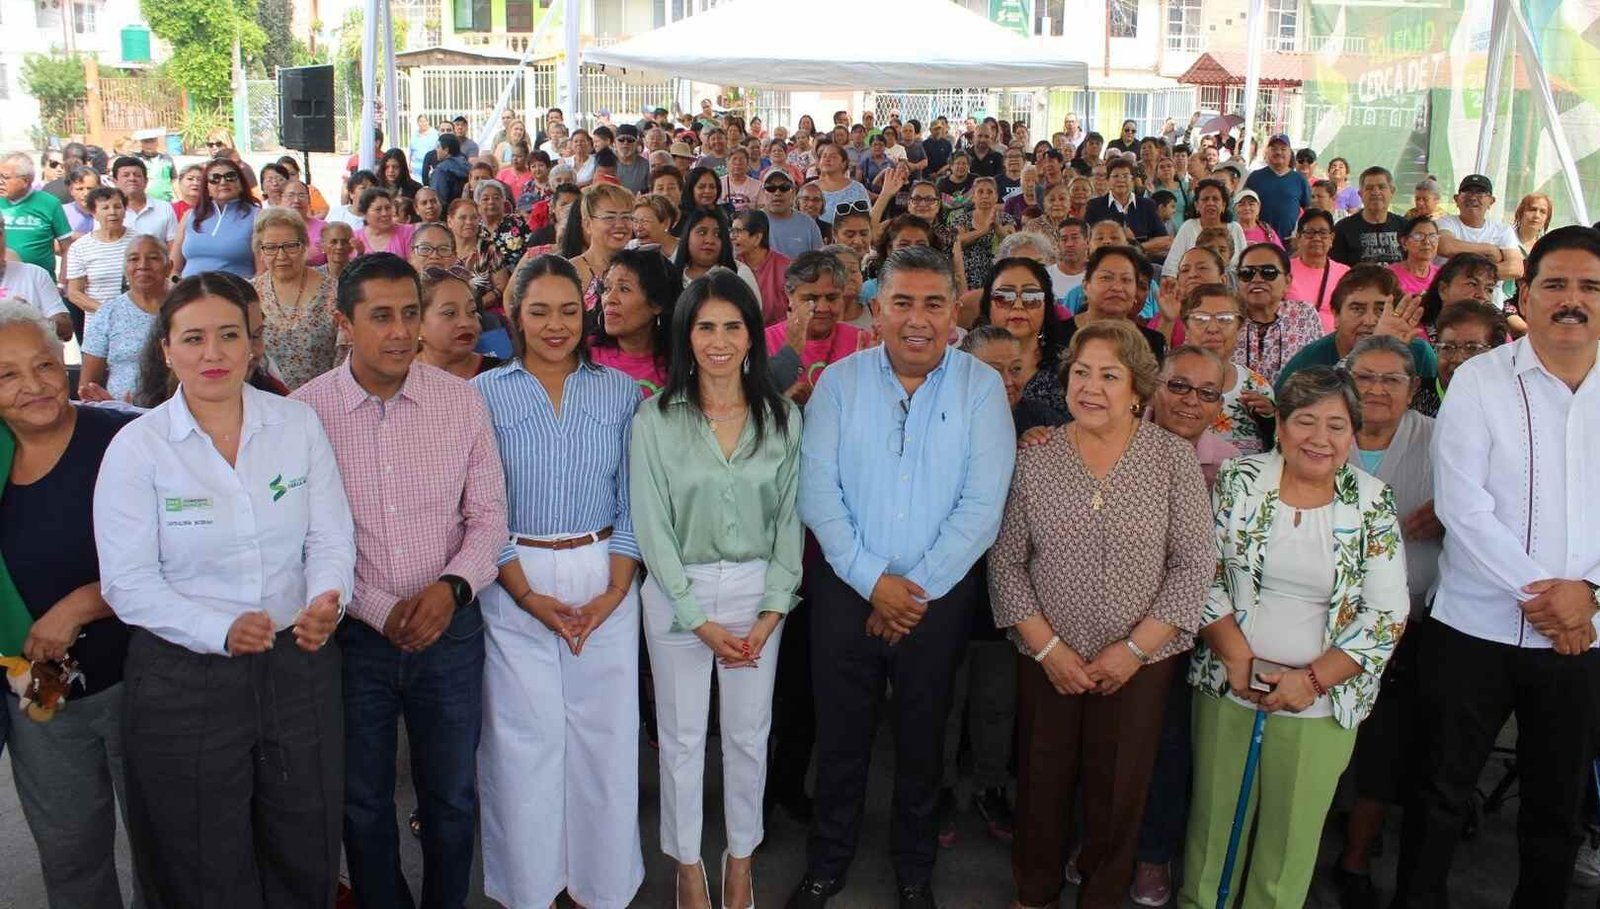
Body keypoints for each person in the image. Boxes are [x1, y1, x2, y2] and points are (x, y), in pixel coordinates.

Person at [93, 271, 354, 907]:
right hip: (185, 677)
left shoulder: (296, 425)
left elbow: (330, 537)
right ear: (166, 350)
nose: (213, 353)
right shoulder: (139, 448)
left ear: (251, 344)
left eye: (229, 335)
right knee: (201, 854)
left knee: (304, 837)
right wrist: (219, 630)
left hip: (298, 666)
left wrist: (327, 598)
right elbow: (128, 583)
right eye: (194, 338)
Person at [789, 246, 1015, 909]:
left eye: (934, 304)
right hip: (844, 591)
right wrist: (871, 581)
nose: (918, 320)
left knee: (923, 739)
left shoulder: (978, 387)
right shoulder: (838, 383)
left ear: (955, 313)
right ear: (877, 310)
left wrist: (911, 588)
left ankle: (914, 870)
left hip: (935, 599)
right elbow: (816, 491)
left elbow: (983, 504)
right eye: (903, 303)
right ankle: (827, 862)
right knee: (842, 735)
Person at [291, 252, 507, 909]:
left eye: (410, 314)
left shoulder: (460, 402)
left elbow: (491, 519)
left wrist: (450, 590)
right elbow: (304, 538)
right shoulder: (306, 414)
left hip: (452, 628)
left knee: (451, 796)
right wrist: (380, 608)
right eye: (379, 316)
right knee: (362, 799)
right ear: (343, 323)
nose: (398, 331)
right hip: (355, 638)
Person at [1393, 226, 1600, 909]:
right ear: (1526, 294)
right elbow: (1464, 504)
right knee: (1440, 791)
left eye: (1590, 287)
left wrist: (1589, 595)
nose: (1573, 300)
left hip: (1583, 637)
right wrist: (1549, 598)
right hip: (1474, 628)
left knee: (1556, 806)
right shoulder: (1481, 379)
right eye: (1557, 284)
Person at [990, 318, 1212, 909]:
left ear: (1138, 387)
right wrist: (1048, 650)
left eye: (1109, 375)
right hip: (1047, 660)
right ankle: (1033, 894)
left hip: (1140, 663)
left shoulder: (1171, 459)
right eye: (1081, 373)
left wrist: (1134, 650)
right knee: (1041, 785)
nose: (1091, 387)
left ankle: (1103, 895)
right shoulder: (1037, 459)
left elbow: (1193, 566)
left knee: (1119, 794)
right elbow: (1008, 564)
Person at [1180, 366, 1409, 909]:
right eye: (1304, 421)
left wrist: (1311, 680)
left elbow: (1387, 612)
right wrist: (1236, 657)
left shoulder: (1372, 500)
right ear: (1279, 425)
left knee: (1290, 841)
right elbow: (1200, 574)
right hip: (1229, 681)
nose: (1319, 438)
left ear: (1353, 433)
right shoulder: (1240, 479)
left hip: (1321, 701)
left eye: (1336, 425)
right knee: (1213, 827)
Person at [471, 255, 644, 909]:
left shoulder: (621, 392)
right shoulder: (485, 394)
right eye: (539, 310)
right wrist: (524, 594)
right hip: (514, 577)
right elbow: (484, 508)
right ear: (514, 314)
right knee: (524, 739)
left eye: (569, 310)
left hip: (606, 572)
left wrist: (611, 593)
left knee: (605, 736)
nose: (555, 324)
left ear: (587, 311)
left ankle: (599, 887)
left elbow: (633, 503)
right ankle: (530, 887)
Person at [630, 270, 801, 909]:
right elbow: (652, 527)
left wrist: (772, 611)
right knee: (678, 737)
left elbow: (789, 523)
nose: (720, 339)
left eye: (733, 325)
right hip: (679, 596)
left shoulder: (781, 417)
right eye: (706, 326)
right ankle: (686, 865)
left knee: (748, 735)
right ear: (686, 336)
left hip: (760, 595)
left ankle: (739, 861)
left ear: (753, 336)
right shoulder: (656, 419)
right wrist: (696, 616)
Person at [0, 301, 138, 909]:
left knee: (173, 846)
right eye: (5, 375)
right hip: (40, 697)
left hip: (144, 682)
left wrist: (80, 606)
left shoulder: (123, 437)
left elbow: (184, 552)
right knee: (70, 855)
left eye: (43, 365)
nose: (32, 386)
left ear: (65, 363)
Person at [1328, 334, 1443, 906]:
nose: (1374, 389)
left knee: (1384, 743)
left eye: (1390, 379)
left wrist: (1453, 516)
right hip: (1319, 613)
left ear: (1413, 388)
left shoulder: (1440, 442)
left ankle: (1355, 857)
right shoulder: (1320, 431)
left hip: (1409, 618)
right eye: (1363, 377)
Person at [1276, 265, 1439, 403]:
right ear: (1336, 315)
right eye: (1357, 309)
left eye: (1381, 309)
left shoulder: (1419, 353)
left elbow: (1430, 415)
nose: (1369, 320)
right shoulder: (1308, 361)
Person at [1180, 281, 1275, 455]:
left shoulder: (1257, 387)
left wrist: (1270, 419)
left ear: (1240, 327)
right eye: (1201, 319)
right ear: (1185, 326)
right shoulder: (1169, 385)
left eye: (1225, 319)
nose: (1213, 328)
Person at [251, 207, 337, 390]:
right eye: (271, 248)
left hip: (324, 401)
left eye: (290, 246)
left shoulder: (334, 292)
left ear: (304, 245)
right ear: (260, 251)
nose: (281, 256)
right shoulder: (249, 295)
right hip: (266, 403)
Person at [979, 256, 1068, 429]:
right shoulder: (967, 363)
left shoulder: (1070, 367)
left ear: (1046, 305)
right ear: (987, 305)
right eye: (1004, 296)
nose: (1018, 305)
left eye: (1031, 297)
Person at [79, 234, 169, 401]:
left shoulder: (183, 310)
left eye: (153, 258)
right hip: (120, 417)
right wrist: (113, 407)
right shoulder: (108, 313)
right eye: (134, 259)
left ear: (168, 266)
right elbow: (88, 387)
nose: (143, 265)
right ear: (125, 268)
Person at [766, 249, 862, 404]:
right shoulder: (765, 342)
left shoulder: (861, 341)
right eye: (811, 299)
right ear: (789, 295)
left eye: (832, 298)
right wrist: (781, 400)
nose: (822, 308)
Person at [591, 247, 678, 396]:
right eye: (606, 288)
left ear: (657, 304)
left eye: (624, 289)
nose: (609, 299)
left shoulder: (678, 364)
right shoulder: (584, 354)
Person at [1234, 243, 1324, 383]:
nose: (1257, 279)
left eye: (1268, 272)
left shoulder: (1304, 315)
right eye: (1247, 273)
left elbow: (1320, 368)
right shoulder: (1225, 318)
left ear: (1287, 282)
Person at [1063, 245, 1168, 360]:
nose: (1117, 287)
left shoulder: (1153, 342)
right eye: (1106, 278)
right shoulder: (1055, 335)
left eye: (1126, 280)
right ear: (1085, 285)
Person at [1433, 173, 1523, 307]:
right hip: (1448, 306)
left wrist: (1462, 275)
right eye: (1467, 192)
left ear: (1491, 201)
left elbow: (1515, 269)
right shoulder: (1445, 222)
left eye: (1481, 193)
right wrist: (1489, 250)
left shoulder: (1503, 230)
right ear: (1457, 199)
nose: (1473, 197)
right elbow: (1445, 246)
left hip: (1489, 308)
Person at [172, 158, 258, 278]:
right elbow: (174, 268)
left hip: (236, 293)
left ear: (241, 184)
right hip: (189, 292)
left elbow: (262, 272)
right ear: (206, 187)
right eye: (215, 178)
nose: (223, 182)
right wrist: (177, 287)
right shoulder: (190, 216)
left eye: (230, 176)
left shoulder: (257, 217)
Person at [64, 187, 132, 336]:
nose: (112, 212)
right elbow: (74, 293)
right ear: (94, 213)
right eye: (105, 208)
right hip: (98, 327)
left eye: (118, 206)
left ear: (125, 210)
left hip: (136, 324)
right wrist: (107, 311)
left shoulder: (140, 242)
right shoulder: (80, 247)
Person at [0, 152, 73, 283]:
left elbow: (67, 246)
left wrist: (63, 281)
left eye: (5, 177)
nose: (0, 182)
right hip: (3, 283)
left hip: (39, 283)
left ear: (25, 181)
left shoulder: (50, 203)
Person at [1162, 178, 1245, 278]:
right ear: (1197, 206)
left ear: (1223, 205)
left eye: (1215, 199)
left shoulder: (1235, 229)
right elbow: (1171, 269)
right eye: (1205, 199)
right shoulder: (1188, 227)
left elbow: (1245, 265)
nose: (1210, 203)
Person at [1084, 158, 1169, 255]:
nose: (1121, 180)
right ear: (1107, 181)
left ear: (1132, 180)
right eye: (1115, 176)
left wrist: (1135, 247)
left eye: (1125, 176)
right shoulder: (1094, 206)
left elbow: (1165, 240)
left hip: (1140, 260)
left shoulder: (1147, 205)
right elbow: (1087, 240)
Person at [1330, 166, 1407, 266]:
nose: (1375, 192)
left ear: (1392, 191)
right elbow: (1337, 270)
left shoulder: (1405, 227)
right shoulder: (1343, 229)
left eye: (1381, 187)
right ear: (1360, 194)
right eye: (1369, 188)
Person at [1243, 135, 1311, 244]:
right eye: (1274, 148)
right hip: (1259, 240)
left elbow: (1309, 211)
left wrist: (1300, 236)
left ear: (1290, 153)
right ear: (1267, 152)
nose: (1278, 152)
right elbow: (1242, 206)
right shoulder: (1254, 177)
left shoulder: (1299, 180)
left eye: (1283, 149)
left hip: (1289, 242)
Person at [1431, 299, 1507, 396]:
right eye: (1447, 347)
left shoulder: (1510, 402)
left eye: (1472, 348)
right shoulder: (1414, 399)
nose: (1457, 359)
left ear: (1496, 353)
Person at [1289, 209, 1348, 331]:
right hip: (1295, 344)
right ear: (1299, 237)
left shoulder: (1345, 273)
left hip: (1334, 343)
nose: (1316, 238)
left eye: (1323, 233)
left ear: (1331, 238)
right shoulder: (1284, 271)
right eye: (1309, 232)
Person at [733, 209, 791, 325]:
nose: (732, 236)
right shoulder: (731, 266)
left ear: (757, 238)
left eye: (738, 231)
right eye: (732, 231)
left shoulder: (786, 268)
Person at [113, 155, 178, 245]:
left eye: (137, 175)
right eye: (126, 175)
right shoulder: (109, 211)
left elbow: (173, 246)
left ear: (146, 181)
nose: (132, 179)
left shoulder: (164, 208)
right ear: (115, 181)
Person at [760, 170, 823, 259]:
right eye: (770, 188)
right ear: (763, 192)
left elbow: (819, 262)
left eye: (784, 187)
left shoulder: (808, 224)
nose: (777, 193)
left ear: (793, 192)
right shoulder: (751, 222)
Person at [1389, 215, 1441, 297]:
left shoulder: (1442, 275)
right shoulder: (1390, 275)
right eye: (1419, 236)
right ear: (1404, 242)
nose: (1427, 242)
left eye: (1432, 237)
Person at [282, 179, 330, 267]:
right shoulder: (274, 227)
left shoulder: (323, 227)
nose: (296, 200)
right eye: (291, 195)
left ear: (309, 199)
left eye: (301, 195)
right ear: (282, 198)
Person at [430, 134, 471, 210]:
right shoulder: (469, 166)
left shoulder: (441, 170)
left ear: (446, 150)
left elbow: (438, 198)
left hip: (449, 214)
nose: (436, 150)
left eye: (438, 147)